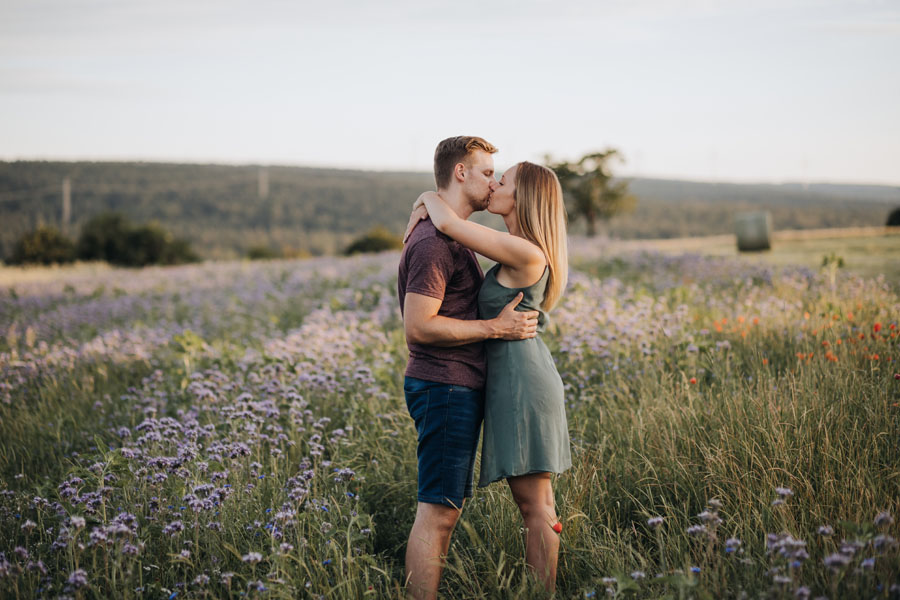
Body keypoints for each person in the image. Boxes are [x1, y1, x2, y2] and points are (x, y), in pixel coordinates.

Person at [404, 160, 571, 593]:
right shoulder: (514, 245)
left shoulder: (527, 251)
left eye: (504, 180)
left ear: (524, 198)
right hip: (509, 380)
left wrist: (425, 197)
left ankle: (541, 594)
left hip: (523, 382)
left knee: (536, 504)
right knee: (533, 502)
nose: (494, 184)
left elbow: (450, 223)